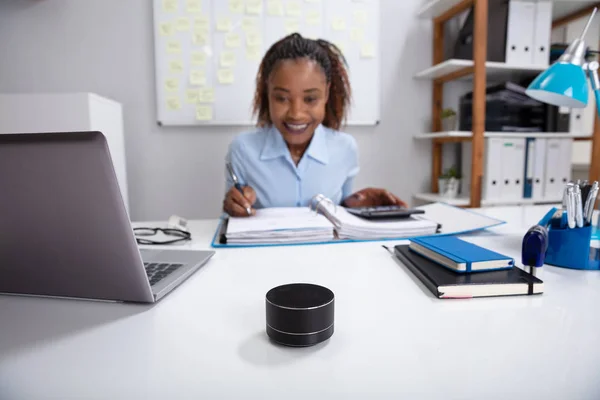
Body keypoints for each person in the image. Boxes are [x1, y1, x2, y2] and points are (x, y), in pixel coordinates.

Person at [223, 33, 406, 217]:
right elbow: (232, 222)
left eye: (310, 99)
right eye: (281, 98)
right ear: (267, 93)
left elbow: (341, 212)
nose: (296, 114)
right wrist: (235, 206)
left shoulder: (345, 148)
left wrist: (359, 203)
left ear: (326, 93)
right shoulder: (243, 149)